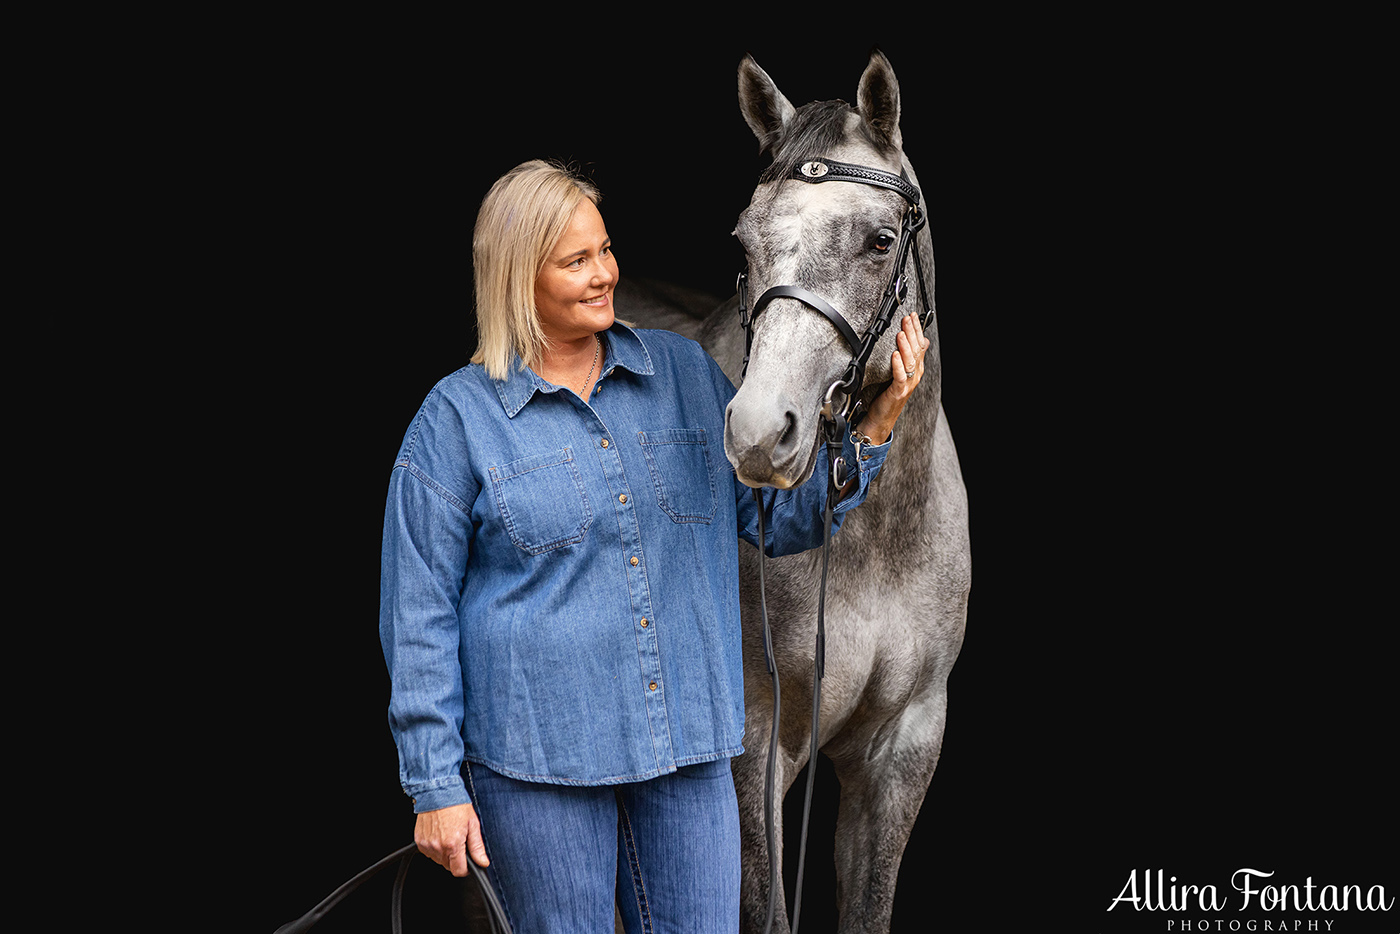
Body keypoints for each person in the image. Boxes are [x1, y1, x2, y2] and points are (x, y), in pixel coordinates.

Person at [379, 159, 928, 933]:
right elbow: (418, 617)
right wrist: (435, 785)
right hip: (541, 771)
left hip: (688, 761)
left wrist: (877, 426)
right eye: (577, 261)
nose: (605, 274)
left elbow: (778, 524)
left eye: (605, 250)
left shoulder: (683, 376)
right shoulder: (455, 421)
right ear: (515, 277)